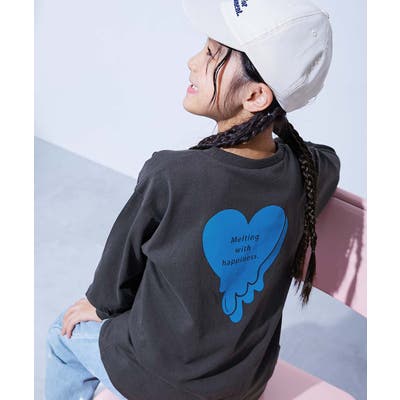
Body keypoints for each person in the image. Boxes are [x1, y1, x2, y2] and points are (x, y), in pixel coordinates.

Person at [44, 0, 341, 399]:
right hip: (245, 383)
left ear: (256, 95)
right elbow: (327, 158)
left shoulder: (172, 174)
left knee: (60, 336)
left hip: (160, 381)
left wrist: (97, 305)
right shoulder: (306, 173)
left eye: (212, 54)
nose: (192, 62)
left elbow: (118, 273)